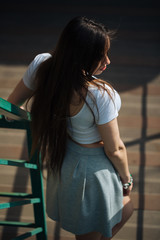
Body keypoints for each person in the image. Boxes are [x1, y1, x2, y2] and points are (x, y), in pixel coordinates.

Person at [7, 16, 133, 240]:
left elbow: (10, 105)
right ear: (81, 57)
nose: (108, 61)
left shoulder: (42, 65)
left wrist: (40, 119)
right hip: (92, 172)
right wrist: (126, 179)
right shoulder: (100, 95)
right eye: (100, 55)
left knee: (126, 210)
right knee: (117, 214)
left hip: (65, 157)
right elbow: (115, 150)